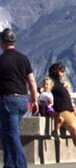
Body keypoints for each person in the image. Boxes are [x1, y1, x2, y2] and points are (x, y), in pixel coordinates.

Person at [0, 29, 39, 168]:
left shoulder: (2, 60)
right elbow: (32, 81)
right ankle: (9, 165)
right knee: (6, 133)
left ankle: (21, 165)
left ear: (2, 42)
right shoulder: (23, 58)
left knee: (12, 136)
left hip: (8, 101)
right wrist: (34, 100)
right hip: (23, 100)